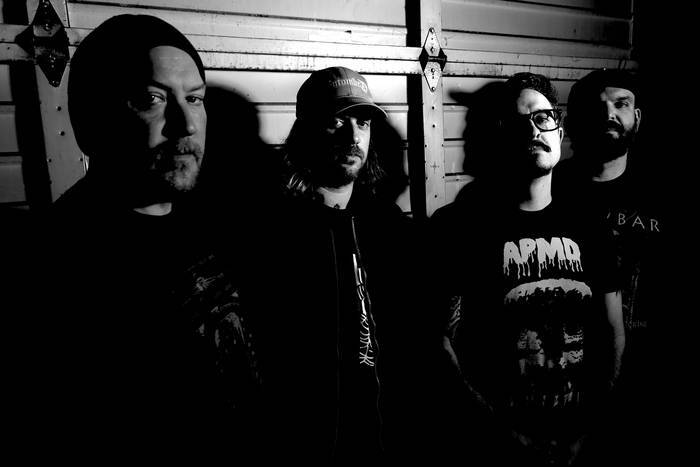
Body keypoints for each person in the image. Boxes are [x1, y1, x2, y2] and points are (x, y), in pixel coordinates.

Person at [38, 14, 258, 457]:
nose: (186, 124)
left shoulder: (219, 222)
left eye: (194, 99)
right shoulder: (58, 260)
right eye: (152, 98)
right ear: (95, 117)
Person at [431, 72, 625, 466]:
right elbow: (440, 340)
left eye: (542, 117)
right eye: (519, 122)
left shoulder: (591, 225)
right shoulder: (458, 226)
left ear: (560, 131)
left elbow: (614, 333)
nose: (533, 130)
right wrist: (503, 434)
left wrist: (588, 431)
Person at [245, 66, 437, 463]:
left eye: (362, 123)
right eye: (336, 121)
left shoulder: (388, 226)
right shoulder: (269, 230)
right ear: (306, 131)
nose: (353, 137)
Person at [557, 68, 665, 464]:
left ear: (638, 117)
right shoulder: (553, 187)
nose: (609, 114)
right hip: (571, 377)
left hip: (649, 381)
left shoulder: (663, 190)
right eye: (598, 107)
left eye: (621, 104)